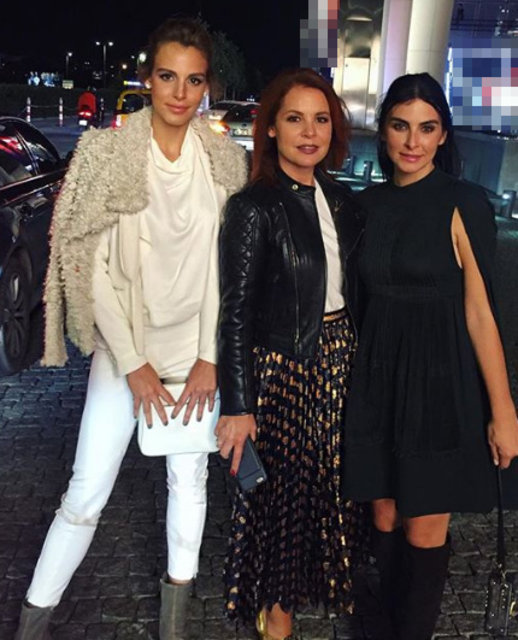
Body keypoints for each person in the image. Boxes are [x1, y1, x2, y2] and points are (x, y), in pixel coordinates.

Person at [15, 17, 247, 640]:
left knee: (188, 482)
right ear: (148, 78)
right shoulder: (106, 155)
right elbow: (86, 266)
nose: (180, 92)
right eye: (168, 76)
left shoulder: (224, 162)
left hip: (196, 352)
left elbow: (230, 269)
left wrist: (210, 357)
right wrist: (134, 363)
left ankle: (174, 623)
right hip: (124, 354)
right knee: (85, 490)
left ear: (207, 86)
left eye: (193, 80)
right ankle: (32, 621)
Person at [343, 72, 518, 640]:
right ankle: (384, 621)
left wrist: (503, 411)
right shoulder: (363, 206)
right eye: (401, 126)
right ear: (383, 130)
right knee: (383, 513)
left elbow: (481, 313)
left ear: (443, 135)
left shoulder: (463, 203)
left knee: (424, 524)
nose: (412, 141)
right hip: (377, 378)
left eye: (426, 128)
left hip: (440, 382)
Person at [216, 68, 368, 640]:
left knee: (329, 489)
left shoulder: (343, 201)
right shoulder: (253, 207)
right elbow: (235, 312)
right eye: (295, 119)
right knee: (282, 501)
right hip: (284, 369)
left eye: (321, 119)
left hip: (340, 360)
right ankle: (276, 618)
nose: (310, 132)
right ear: (273, 129)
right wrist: (238, 405)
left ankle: (307, 592)